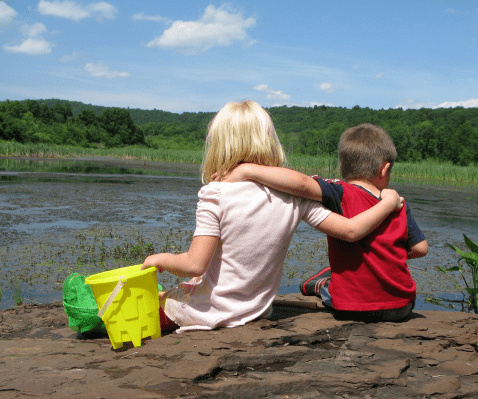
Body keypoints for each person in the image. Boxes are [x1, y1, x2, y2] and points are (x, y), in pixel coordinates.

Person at [141, 103, 404, 332]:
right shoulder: (293, 197)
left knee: (150, 304)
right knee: (191, 284)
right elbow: (351, 231)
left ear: (219, 145)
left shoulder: (215, 194)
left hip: (210, 313)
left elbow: (194, 264)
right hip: (256, 312)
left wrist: (161, 259)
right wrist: (388, 202)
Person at [218, 123, 428, 322]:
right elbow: (420, 248)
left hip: (350, 307)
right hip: (402, 307)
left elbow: (301, 183)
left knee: (328, 286)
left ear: (342, 166)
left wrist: (247, 170)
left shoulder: (339, 192)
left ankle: (318, 284)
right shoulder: (398, 204)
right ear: (384, 169)